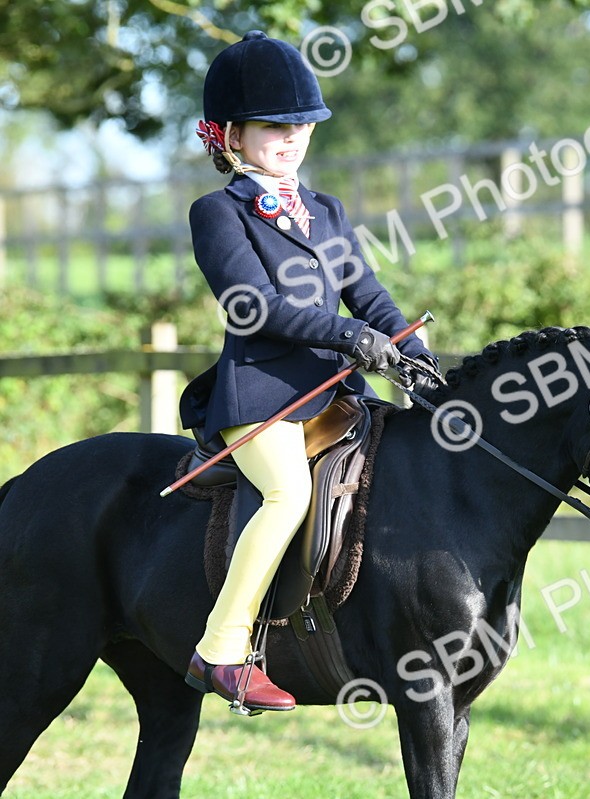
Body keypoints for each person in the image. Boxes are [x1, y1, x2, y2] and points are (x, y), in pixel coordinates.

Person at [178, 30, 438, 713]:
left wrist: (407, 343)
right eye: (274, 127)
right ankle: (222, 649)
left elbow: (368, 293)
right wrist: (351, 335)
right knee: (288, 495)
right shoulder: (217, 213)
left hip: (336, 394)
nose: (292, 138)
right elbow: (254, 305)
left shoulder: (326, 211)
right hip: (262, 394)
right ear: (231, 135)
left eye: (302, 126)